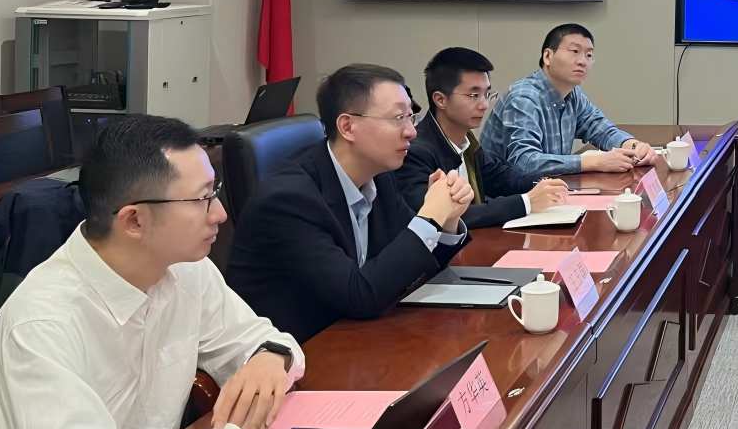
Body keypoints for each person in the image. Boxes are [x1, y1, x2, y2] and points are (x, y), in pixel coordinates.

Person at [0, 115, 304, 429]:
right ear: (135, 220)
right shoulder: (41, 322)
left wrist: (270, 356)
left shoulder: (187, 269)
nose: (220, 213)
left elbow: (266, 341)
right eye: (202, 199)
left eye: (214, 192)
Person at [228, 64, 474, 342]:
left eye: (410, 117)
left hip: (357, 337)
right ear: (347, 126)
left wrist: (447, 220)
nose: (411, 132)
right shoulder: (288, 201)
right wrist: (429, 218)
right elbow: (359, 296)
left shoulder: (379, 176)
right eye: (397, 118)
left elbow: (412, 265)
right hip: (301, 351)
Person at [393, 47, 572, 227]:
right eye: (473, 95)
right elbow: (444, 216)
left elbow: (503, 178)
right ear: (440, 100)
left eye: (486, 94)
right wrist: (526, 202)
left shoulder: (466, 141)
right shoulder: (415, 151)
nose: (484, 104)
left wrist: (547, 183)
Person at [479, 24, 655, 197]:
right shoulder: (524, 98)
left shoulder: (573, 94)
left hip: (548, 194)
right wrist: (593, 161)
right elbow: (524, 163)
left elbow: (599, 128)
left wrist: (632, 146)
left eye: (589, 55)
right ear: (548, 56)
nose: (582, 61)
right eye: (574, 51)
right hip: (509, 201)